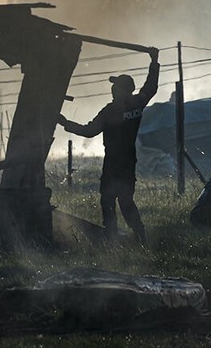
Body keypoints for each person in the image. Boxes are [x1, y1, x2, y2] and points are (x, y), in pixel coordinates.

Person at [58, 48, 160, 244]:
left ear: (121, 90)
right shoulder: (137, 104)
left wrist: (65, 123)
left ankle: (111, 239)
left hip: (113, 162)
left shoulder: (110, 111)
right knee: (126, 201)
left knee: (107, 201)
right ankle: (140, 236)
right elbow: (151, 87)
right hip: (129, 161)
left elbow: (89, 131)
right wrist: (154, 61)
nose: (112, 90)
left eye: (115, 88)